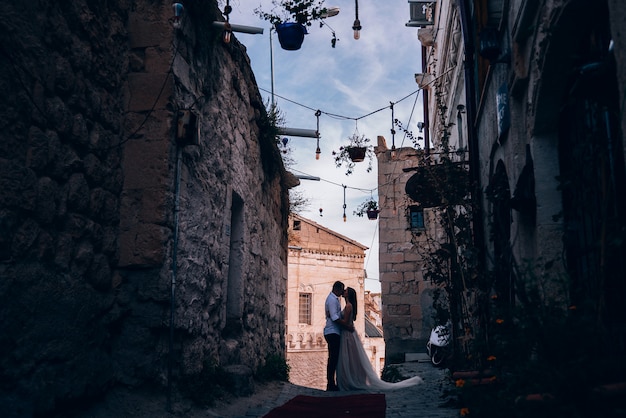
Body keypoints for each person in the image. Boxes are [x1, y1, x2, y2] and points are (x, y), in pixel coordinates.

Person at [336, 287, 423, 391]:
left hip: (347, 334)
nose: (343, 291)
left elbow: (346, 322)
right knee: (352, 359)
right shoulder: (349, 306)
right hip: (349, 334)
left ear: (348, 294)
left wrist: (335, 319)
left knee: (349, 358)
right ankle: (353, 379)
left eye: (345, 291)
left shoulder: (348, 306)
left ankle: (351, 380)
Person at [324, 281, 353, 391]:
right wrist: (346, 326)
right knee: (333, 358)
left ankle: (332, 382)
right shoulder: (332, 300)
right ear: (337, 289)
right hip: (332, 331)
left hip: (335, 331)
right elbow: (335, 317)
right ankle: (331, 383)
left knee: (334, 358)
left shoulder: (335, 299)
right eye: (342, 289)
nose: (342, 292)